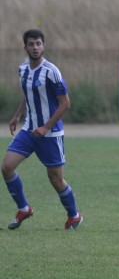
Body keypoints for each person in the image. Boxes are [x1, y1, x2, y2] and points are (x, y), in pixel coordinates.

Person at [2, 29, 83, 230]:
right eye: (31, 44)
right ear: (25, 47)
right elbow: (28, 95)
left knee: (55, 178)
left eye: (38, 43)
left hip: (50, 133)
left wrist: (46, 127)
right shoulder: (23, 69)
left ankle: (74, 216)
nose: (35, 47)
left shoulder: (51, 71)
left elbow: (65, 103)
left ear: (43, 46)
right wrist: (17, 115)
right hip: (29, 130)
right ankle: (24, 208)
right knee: (6, 167)